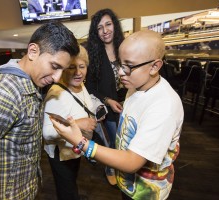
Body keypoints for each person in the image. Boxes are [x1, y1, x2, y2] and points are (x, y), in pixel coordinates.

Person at [0, 21, 79, 200]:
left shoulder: (30, 83)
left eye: (62, 70)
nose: (58, 77)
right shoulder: (1, 92)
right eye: (55, 66)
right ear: (33, 51)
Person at [50, 30, 184, 200]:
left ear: (155, 66)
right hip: (128, 185)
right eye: (120, 64)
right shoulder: (136, 86)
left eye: (129, 66)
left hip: (145, 193)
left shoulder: (164, 106)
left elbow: (132, 162)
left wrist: (81, 142)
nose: (121, 72)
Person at [43, 45, 99, 200]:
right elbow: (46, 133)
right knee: (67, 191)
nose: (78, 72)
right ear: (64, 69)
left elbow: (84, 103)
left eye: (82, 66)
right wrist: (79, 124)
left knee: (71, 183)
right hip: (60, 154)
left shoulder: (80, 85)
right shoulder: (56, 94)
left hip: (73, 151)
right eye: (72, 67)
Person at [85, 8, 125, 185]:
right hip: (109, 107)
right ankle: (110, 168)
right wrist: (108, 100)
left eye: (108, 24)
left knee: (128, 141)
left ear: (114, 25)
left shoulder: (124, 48)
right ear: (96, 32)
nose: (105, 30)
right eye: (100, 28)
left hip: (130, 103)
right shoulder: (94, 55)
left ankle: (125, 167)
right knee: (114, 143)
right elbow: (90, 87)